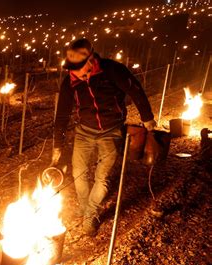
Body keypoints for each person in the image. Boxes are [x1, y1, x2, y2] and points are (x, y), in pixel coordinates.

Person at [52, 38, 156, 236]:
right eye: (72, 69)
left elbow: (134, 89)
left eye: (79, 68)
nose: (75, 73)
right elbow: (62, 113)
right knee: (79, 173)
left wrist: (147, 117)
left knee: (102, 177)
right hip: (84, 131)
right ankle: (86, 209)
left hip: (111, 130)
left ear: (91, 60)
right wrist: (58, 144)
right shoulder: (70, 81)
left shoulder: (112, 70)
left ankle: (90, 214)